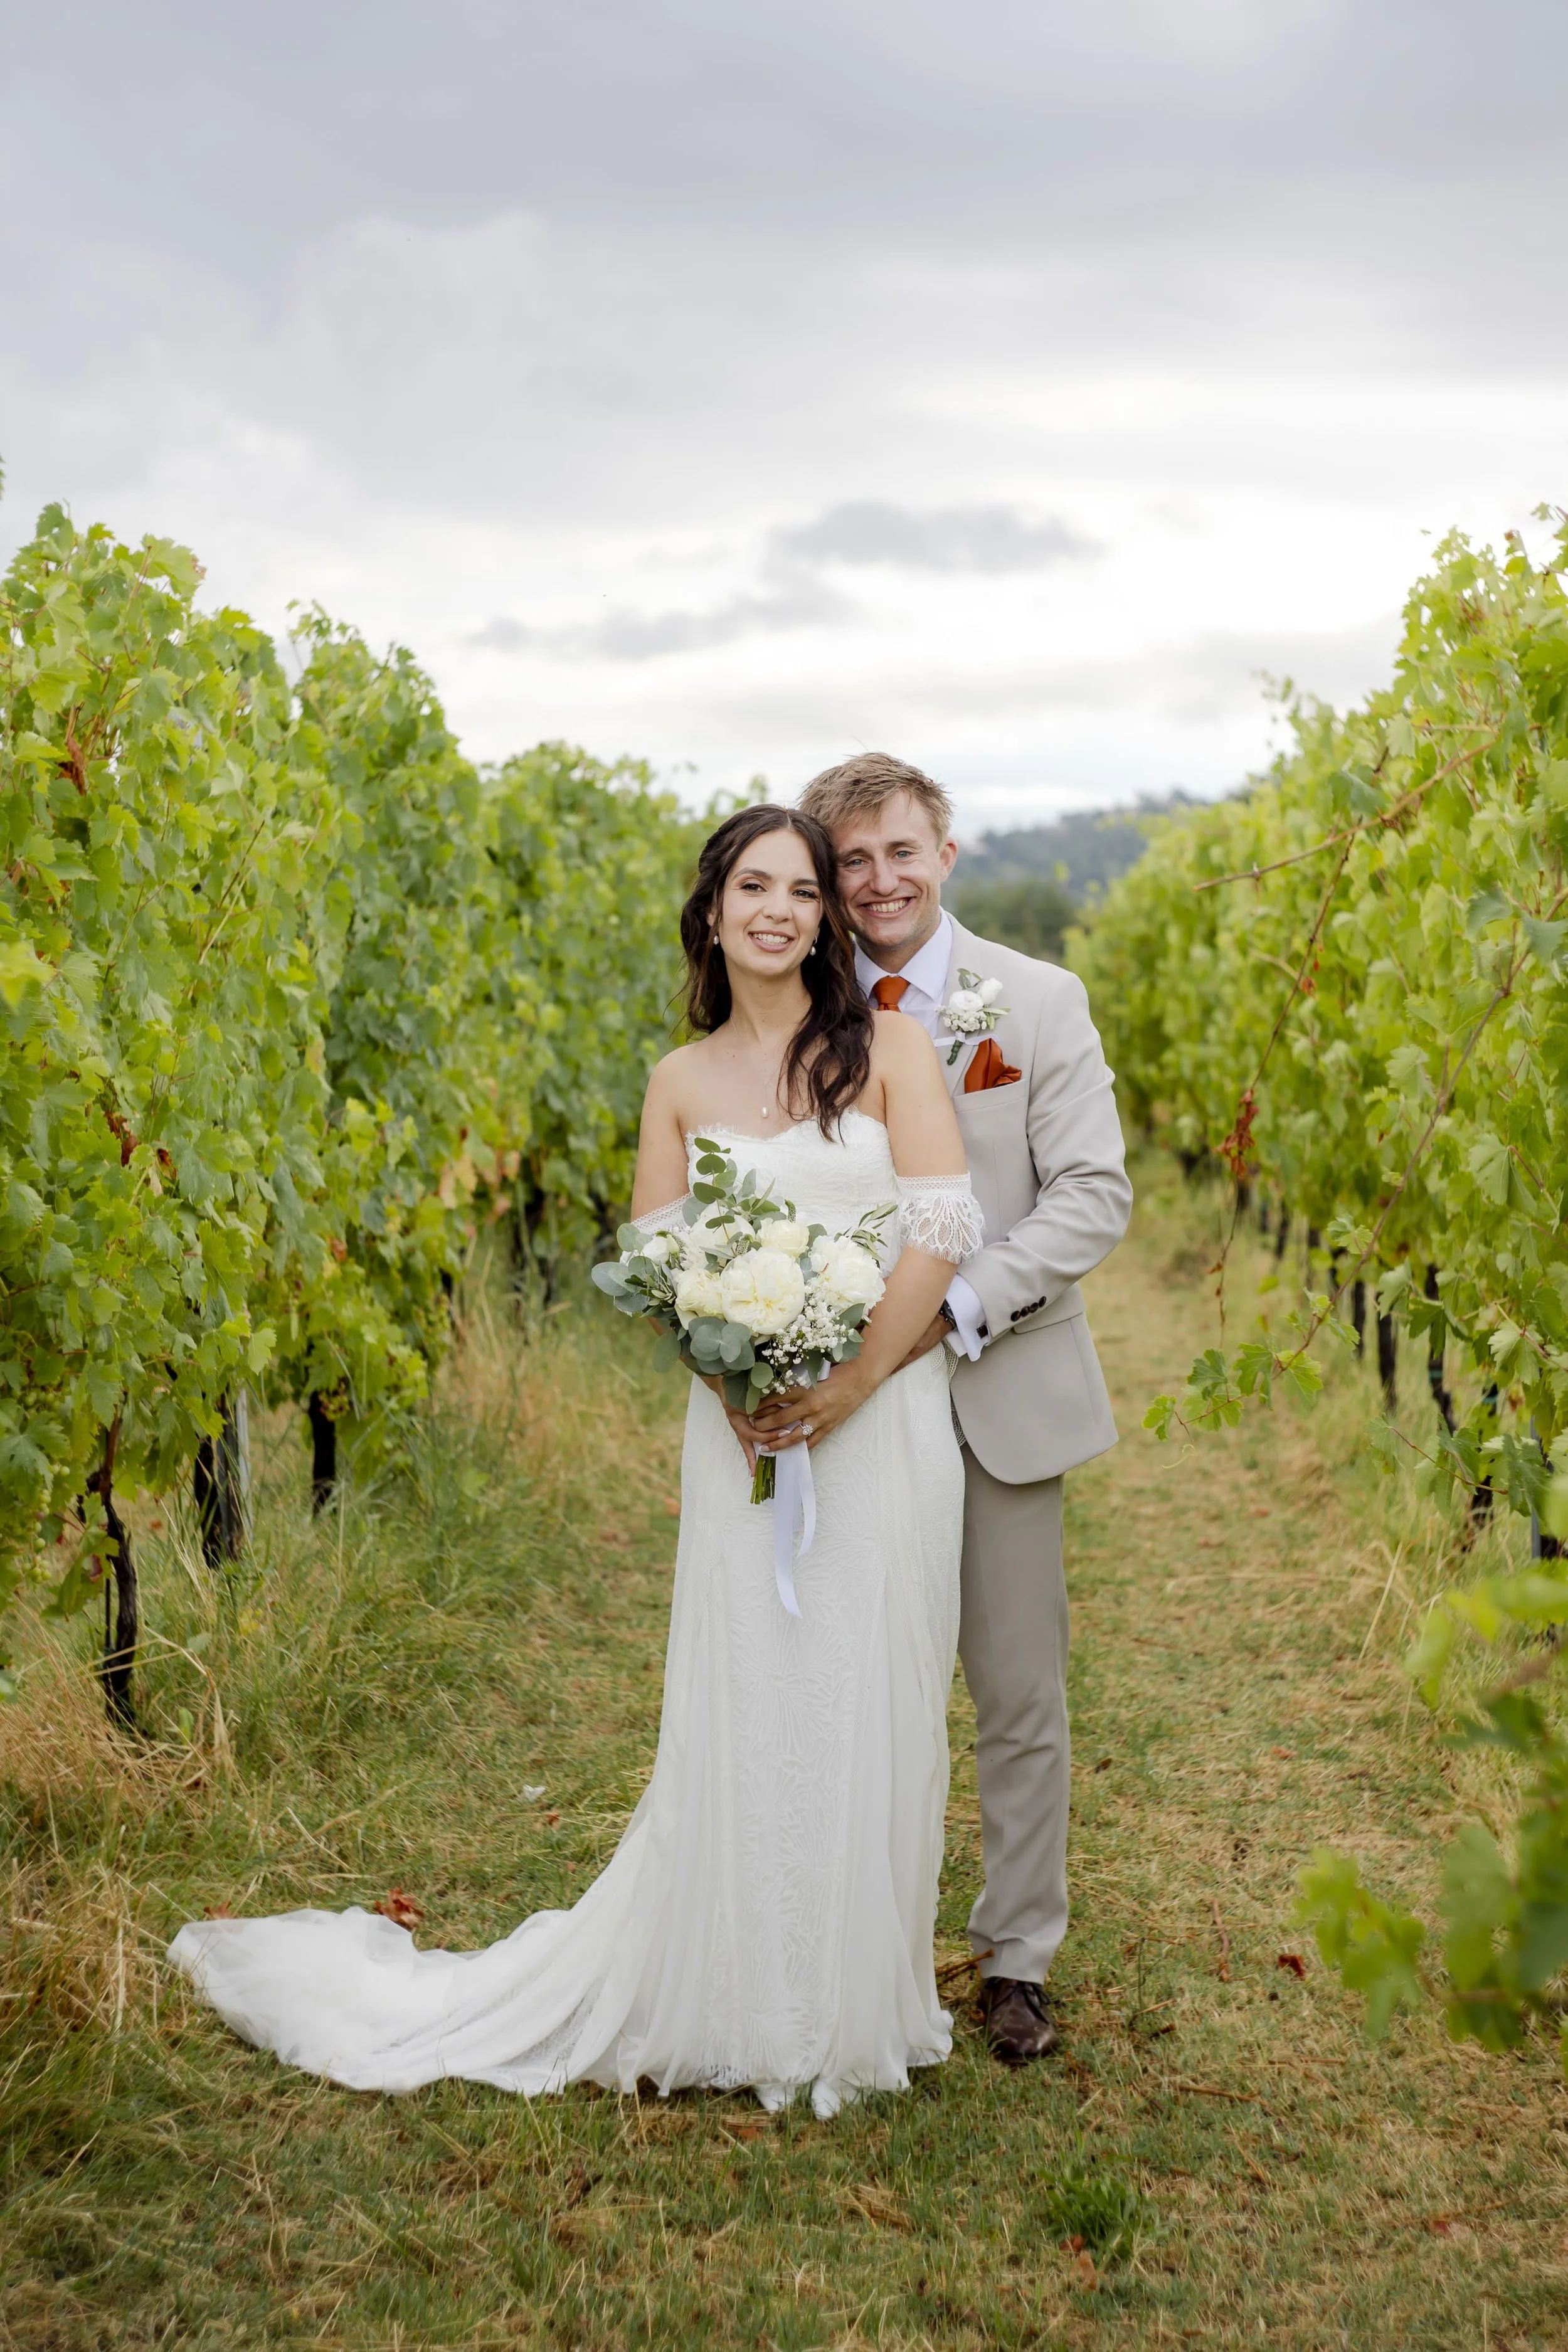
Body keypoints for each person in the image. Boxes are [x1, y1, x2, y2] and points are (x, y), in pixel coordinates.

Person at [169, 805, 985, 2119]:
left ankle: (848, 2001)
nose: (776, 909)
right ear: (711, 913)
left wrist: (843, 1383)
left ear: (825, 920)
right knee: (758, 1694)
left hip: (881, 1422)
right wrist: (735, 1379)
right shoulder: (679, 1079)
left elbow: (939, 1232)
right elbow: (663, 1267)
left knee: (873, 1684)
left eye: (798, 889)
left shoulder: (884, 1047)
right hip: (747, 1437)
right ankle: (737, 1991)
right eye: (750, 886)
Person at [790, 754, 1131, 2066]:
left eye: (898, 852)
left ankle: (1016, 1958)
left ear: (945, 853)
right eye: (851, 859)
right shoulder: (796, 1012)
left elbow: (1091, 1193)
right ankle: (842, 1936)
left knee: (1014, 1688)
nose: (876, 881)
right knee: (845, 1675)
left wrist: (951, 1310)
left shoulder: (1035, 1003)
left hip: (994, 1383)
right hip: (842, 1402)